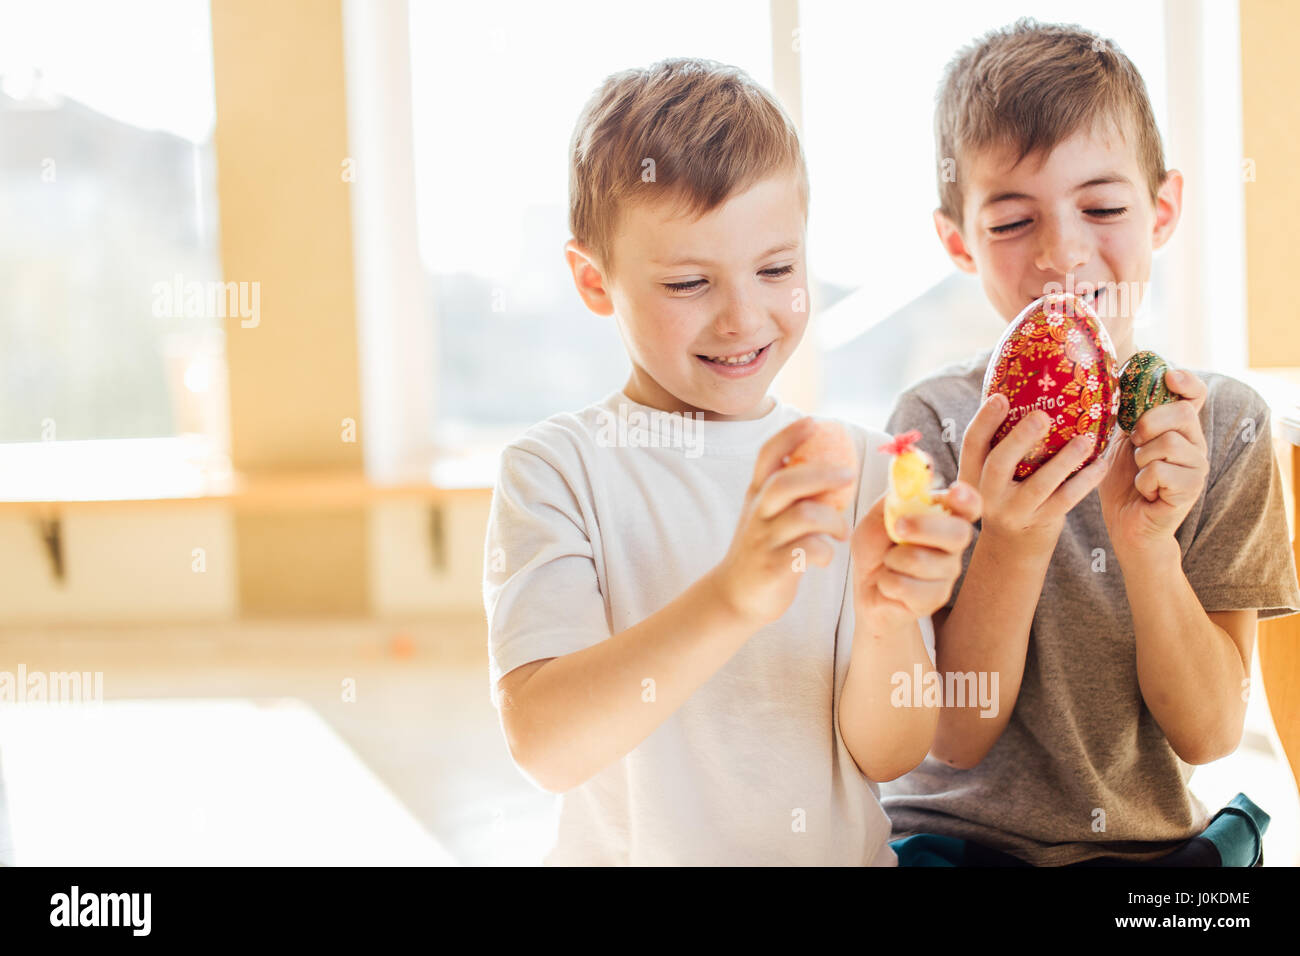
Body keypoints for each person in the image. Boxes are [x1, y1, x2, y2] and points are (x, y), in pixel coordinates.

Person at [482, 58, 980, 865]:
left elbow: (888, 754)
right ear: (591, 279)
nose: (744, 317)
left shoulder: (860, 469)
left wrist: (887, 626)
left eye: (777, 269)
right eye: (687, 283)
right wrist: (733, 597)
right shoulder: (557, 471)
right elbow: (546, 747)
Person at [881, 18, 1300, 865]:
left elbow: (1212, 734)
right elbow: (954, 737)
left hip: (1148, 853)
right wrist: (1015, 534)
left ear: (1164, 209)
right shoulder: (931, 420)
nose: (1063, 254)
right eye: (1010, 222)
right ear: (957, 240)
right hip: (954, 843)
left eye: (1102, 207)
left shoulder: (1224, 424)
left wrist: (1147, 544)